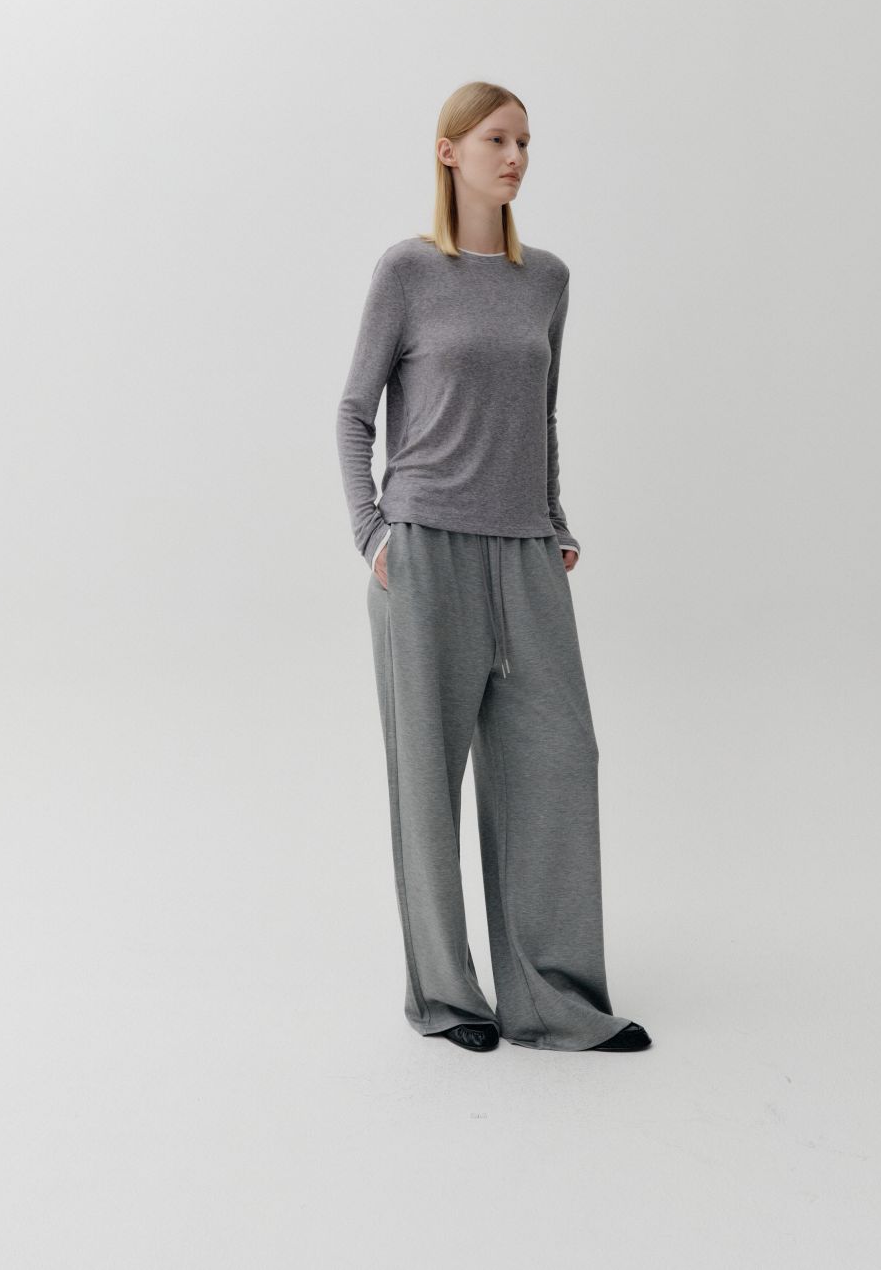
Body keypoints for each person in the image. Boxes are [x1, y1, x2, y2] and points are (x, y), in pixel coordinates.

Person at [335, 81, 652, 1054]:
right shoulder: (406, 272)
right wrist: (372, 533)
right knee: (427, 781)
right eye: (497, 140)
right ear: (450, 152)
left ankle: (553, 1001)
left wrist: (553, 517)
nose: (515, 157)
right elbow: (353, 413)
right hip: (423, 550)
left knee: (560, 760)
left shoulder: (546, 280)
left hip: (523, 551)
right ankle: (449, 998)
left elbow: (539, 414)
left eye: (524, 142)